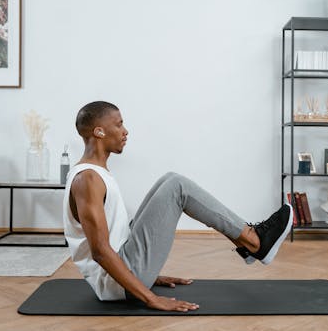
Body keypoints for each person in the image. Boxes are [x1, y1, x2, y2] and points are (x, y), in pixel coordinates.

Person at [63, 101, 293, 312]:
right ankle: (253, 240)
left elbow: (114, 238)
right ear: (99, 132)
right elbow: (101, 252)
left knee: (169, 179)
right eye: (119, 124)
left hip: (123, 270)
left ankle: (247, 243)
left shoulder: (94, 173)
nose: (125, 131)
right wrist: (150, 297)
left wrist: (151, 275)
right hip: (115, 286)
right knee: (177, 186)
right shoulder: (88, 179)